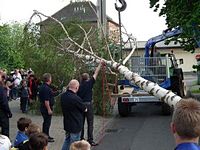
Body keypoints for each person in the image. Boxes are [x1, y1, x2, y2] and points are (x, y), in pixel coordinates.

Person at [77, 61, 102, 146]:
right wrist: (100, 64)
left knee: (81, 122)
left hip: (80, 105)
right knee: (90, 122)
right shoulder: (89, 83)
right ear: (87, 78)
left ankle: (81, 138)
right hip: (88, 104)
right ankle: (90, 140)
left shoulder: (78, 86)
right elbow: (96, 73)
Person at [61, 79, 87, 150]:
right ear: (76, 87)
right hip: (75, 125)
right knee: (75, 145)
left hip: (67, 123)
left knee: (67, 141)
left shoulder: (63, 96)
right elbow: (85, 109)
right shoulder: (76, 98)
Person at [38, 73, 55, 142]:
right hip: (46, 108)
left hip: (43, 107)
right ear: (49, 79)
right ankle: (45, 137)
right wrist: (49, 109)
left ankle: (46, 135)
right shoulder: (46, 88)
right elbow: (46, 100)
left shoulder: (43, 86)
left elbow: (50, 95)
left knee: (46, 122)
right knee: (47, 123)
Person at [0, 72, 12, 137]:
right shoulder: (1, 89)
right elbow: (4, 102)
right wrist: (8, 112)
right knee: (5, 130)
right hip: (2, 112)